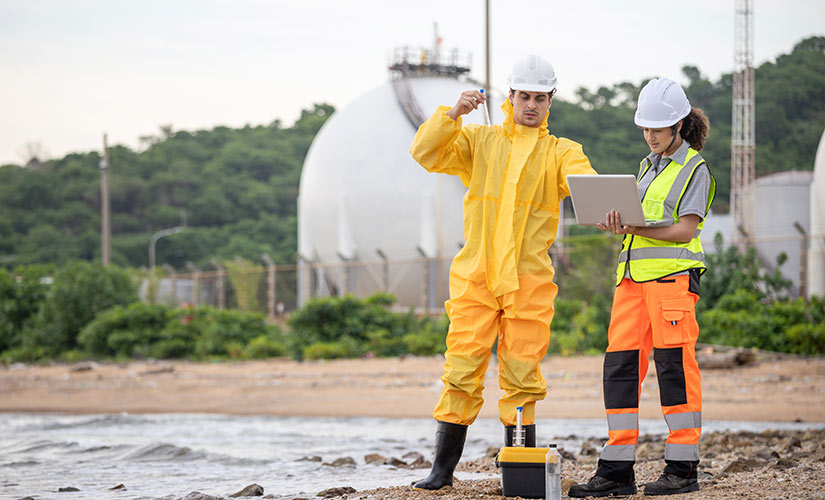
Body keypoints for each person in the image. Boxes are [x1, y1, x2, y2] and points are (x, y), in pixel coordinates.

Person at [408, 54, 596, 490]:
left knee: (522, 375)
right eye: (524, 96)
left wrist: (609, 205)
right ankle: (441, 472)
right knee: (461, 367)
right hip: (476, 277)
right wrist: (453, 114)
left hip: (528, 280)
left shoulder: (561, 151)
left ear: (550, 101)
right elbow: (426, 152)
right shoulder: (480, 140)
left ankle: (519, 470)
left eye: (540, 98)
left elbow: (585, 183)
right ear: (510, 96)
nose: (531, 104)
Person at [569, 77, 715, 497]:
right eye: (645, 128)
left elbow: (685, 231)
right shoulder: (647, 166)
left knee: (674, 370)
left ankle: (683, 469)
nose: (650, 135)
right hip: (631, 282)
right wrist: (618, 223)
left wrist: (635, 227)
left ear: (679, 125)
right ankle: (617, 470)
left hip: (671, 284)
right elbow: (640, 224)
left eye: (658, 128)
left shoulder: (695, 170)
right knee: (620, 370)